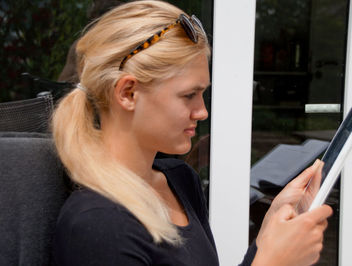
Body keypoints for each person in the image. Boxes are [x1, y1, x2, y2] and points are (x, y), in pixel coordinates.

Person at [51, 1, 332, 265]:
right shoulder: (98, 225)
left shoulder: (179, 179)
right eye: (189, 95)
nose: (202, 112)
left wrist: (270, 231)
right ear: (128, 93)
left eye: (202, 94)